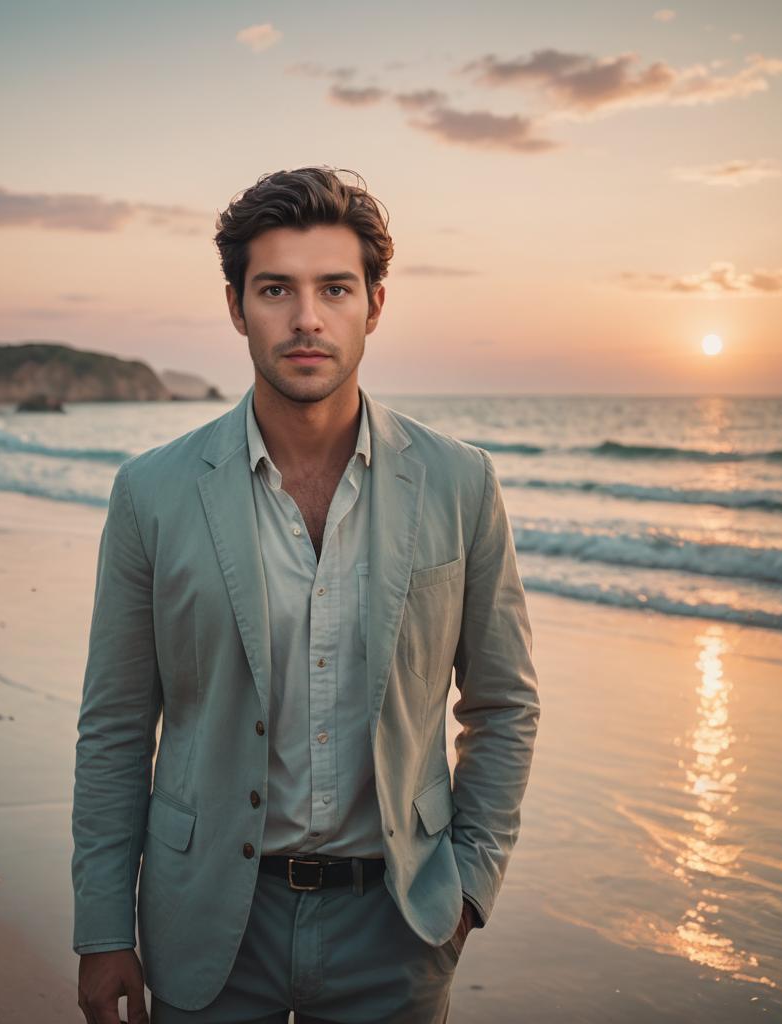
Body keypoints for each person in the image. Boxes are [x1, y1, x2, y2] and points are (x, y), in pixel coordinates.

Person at [72, 166, 540, 1023]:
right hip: (208, 915)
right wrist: (102, 928)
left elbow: (504, 704)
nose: (306, 320)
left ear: (375, 303)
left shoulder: (461, 484)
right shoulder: (152, 492)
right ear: (235, 305)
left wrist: (471, 881)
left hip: (398, 923)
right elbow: (115, 724)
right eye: (275, 290)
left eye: (334, 288)